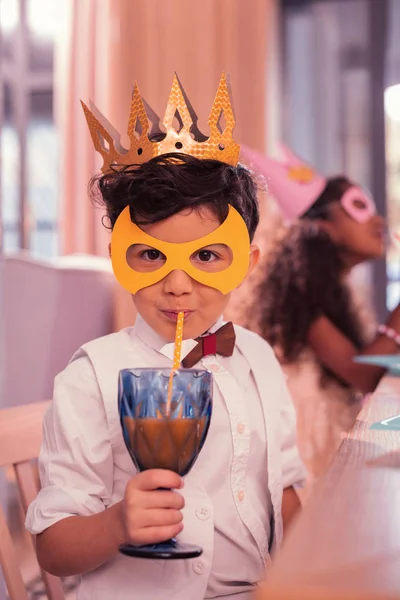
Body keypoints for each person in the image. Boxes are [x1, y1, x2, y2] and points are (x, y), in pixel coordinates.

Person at [25, 76, 305, 600]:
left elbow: (283, 490)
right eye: (151, 255)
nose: (177, 285)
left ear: (244, 264)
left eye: (206, 256)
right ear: (121, 260)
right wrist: (116, 524)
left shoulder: (259, 359)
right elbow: (53, 548)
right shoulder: (92, 378)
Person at [241, 144, 400, 482]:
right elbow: (363, 373)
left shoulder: (338, 292)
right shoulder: (301, 293)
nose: (379, 220)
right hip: (308, 452)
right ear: (325, 226)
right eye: (359, 207)